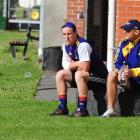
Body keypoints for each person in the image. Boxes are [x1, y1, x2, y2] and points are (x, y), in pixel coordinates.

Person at [49, 21, 108, 117]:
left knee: (79, 74)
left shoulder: (83, 45)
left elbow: (84, 68)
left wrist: (73, 64)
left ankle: (82, 109)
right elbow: (65, 66)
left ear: (76, 33)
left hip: (100, 77)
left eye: (69, 34)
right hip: (85, 76)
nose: (66, 37)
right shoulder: (65, 45)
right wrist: (78, 64)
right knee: (60, 74)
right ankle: (63, 108)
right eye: (64, 34)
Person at [101, 19, 140, 117]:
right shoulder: (124, 43)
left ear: (137, 32)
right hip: (128, 79)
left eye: (127, 30)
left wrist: (132, 72)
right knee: (112, 74)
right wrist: (122, 71)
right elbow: (116, 63)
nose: (124, 32)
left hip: (137, 77)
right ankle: (111, 110)